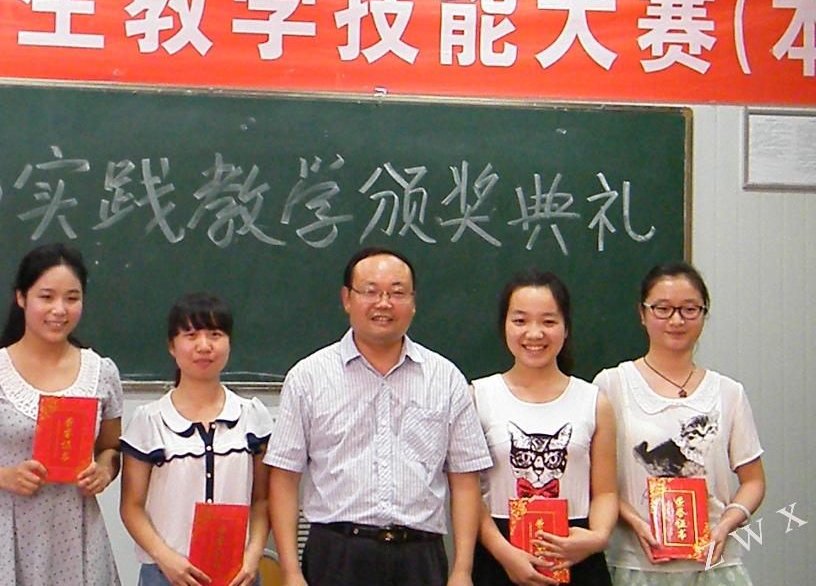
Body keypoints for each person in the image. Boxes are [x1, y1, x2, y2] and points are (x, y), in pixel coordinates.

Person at [265, 246, 492, 586]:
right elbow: (284, 478)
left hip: (419, 557)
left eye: (397, 293)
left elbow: (465, 479)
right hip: (336, 555)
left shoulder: (445, 378)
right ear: (347, 299)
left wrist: (462, 570)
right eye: (370, 292)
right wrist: (291, 572)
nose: (384, 304)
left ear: (413, 302)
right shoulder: (308, 377)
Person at [0, 243, 123, 586]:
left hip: (77, 531)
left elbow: (111, 448)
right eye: (46, 297)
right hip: (5, 530)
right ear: (21, 298)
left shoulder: (102, 372)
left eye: (72, 298)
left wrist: (103, 471)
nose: (59, 310)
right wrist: (3, 477)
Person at [594, 262, 765, 586]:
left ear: (704, 314)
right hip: (634, 564)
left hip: (714, 566)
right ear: (642, 313)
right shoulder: (612, 385)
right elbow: (595, 481)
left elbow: (753, 481)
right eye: (663, 309)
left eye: (689, 309)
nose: (676, 320)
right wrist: (632, 520)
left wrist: (728, 522)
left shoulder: (728, 392)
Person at [472, 268, 617, 586]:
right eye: (520, 320)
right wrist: (503, 552)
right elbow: (468, 493)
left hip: (576, 551)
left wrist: (597, 537)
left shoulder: (594, 402)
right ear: (504, 325)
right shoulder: (478, 397)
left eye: (548, 321)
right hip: (499, 556)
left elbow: (606, 491)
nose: (534, 333)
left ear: (566, 328)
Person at [119, 293, 273, 586]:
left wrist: (253, 556)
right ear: (172, 346)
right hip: (167, 574)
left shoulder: (252, 416)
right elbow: (131, 506)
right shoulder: (149, 420)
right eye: (190, 335)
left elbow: (262, 500)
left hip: (237, 574)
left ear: (229, 342)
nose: (204, 346)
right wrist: (165, 558)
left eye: (215, 334)